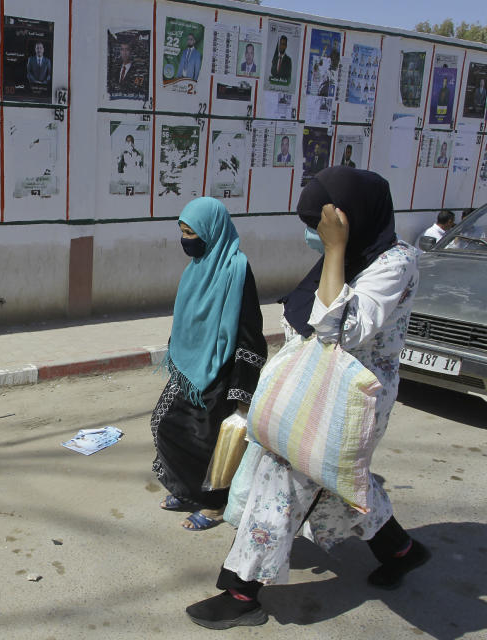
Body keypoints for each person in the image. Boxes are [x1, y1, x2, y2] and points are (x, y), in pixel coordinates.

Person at [185, 167, 429, 630]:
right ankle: (400, 550)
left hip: (351, 396)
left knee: (283, 483)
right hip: (315, 384)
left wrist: (336, 250)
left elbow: (341, 328)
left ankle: (241, 593)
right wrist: (337, 252)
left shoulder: (395, 262)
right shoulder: (356, 254)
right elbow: (306, 317)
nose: (317, 236)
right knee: (336, 482)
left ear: (352, 219)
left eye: (325, 225)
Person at [151, 197, 267, 531]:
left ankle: (215, 505)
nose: (187, 240)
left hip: (223, 372)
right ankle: (187, 491)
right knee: (167, 426)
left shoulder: (236, 269)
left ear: (211, 232)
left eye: (192, 233)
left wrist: (243, 389)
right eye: (183, 232)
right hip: (190, 367)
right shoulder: (197, 268)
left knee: (209, 441)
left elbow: (249, 331)